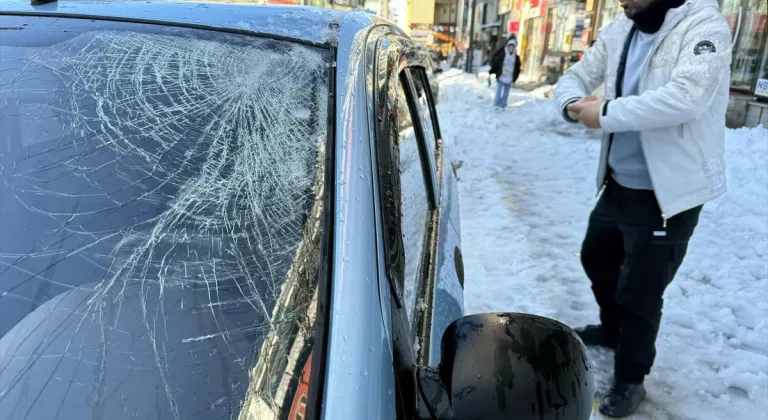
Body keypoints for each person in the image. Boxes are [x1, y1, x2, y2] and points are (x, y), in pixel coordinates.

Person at [554, 0, 732, 417]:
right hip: (619, 184)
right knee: (595, 257)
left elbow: (685, 99)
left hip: (666, 195)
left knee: (641, 291)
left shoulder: (705, 27)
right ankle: (614, 331)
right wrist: (570, 103)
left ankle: (632, 378)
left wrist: (607, 112)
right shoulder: (622, 28)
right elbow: (578, 74)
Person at [490, 38, 520, 109]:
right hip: (502, 75)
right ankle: (496, 104)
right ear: (507, 47)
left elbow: (517, 68)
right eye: (510, 47)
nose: (511, 48)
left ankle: (503, 104)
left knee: (506, 93)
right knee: (498, 91)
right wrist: (492, 71)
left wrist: (515, 78)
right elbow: (497, 63)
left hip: (509, 77)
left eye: (512, 47)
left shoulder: (516, 57)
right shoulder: (503, 54)